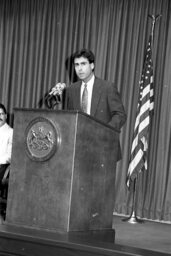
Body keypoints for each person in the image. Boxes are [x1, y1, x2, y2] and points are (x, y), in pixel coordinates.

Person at [64, 48, 126, 136]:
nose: (79, 69)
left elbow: (120, 115)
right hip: (79, 144)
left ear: (92, 65)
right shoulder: (71, 90)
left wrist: (105, 131)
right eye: (76, 65)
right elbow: (70, 118)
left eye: (83, 64)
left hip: (102, 143)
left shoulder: (107, 87)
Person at [0, 103, 13, 221]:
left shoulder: (11, 132)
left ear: (6, 116)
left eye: (1, 114)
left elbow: (10, 156)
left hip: (2, 167)